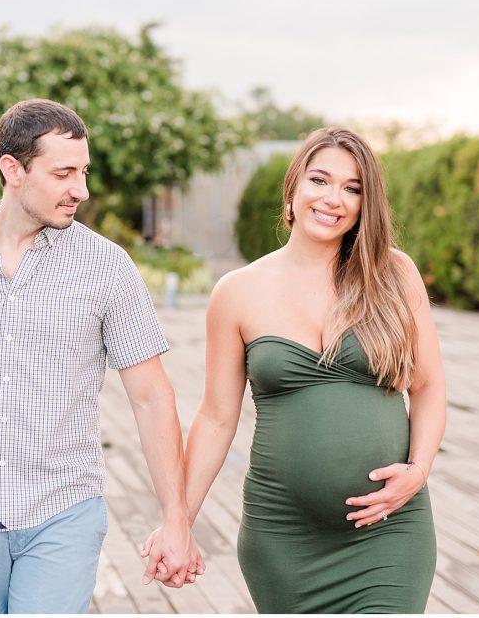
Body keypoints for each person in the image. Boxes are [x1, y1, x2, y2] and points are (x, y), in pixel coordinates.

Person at [0, 99, 199, 614]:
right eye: (63, 173)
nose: (80, 190)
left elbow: (152, 398)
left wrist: (177, 519)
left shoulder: (107, 267)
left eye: (83, 172)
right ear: (12, 170)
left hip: (63, 514)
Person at [144, 127, 446, 612]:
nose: (334, 198)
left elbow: (428, 386)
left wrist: (419, 469)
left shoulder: (394, 273)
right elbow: (218, 417)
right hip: (282, 537)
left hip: (390, 533)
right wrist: (179, 520)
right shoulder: (237, 291)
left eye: (353, 188)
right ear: (293, 190)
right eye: (320, 180)